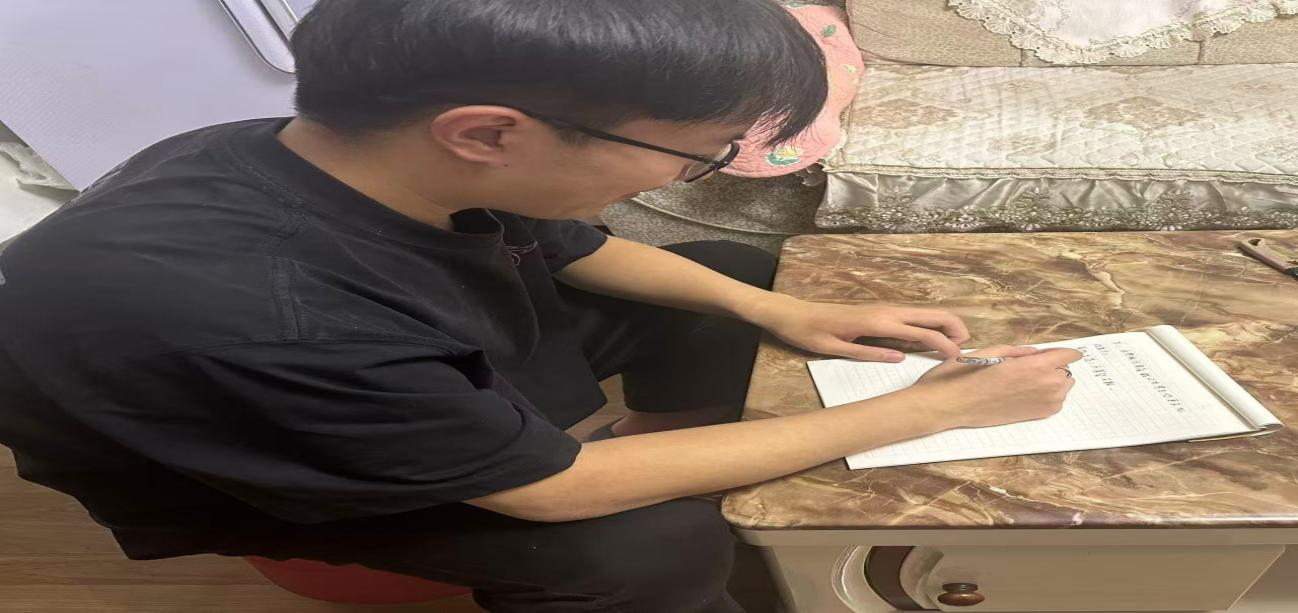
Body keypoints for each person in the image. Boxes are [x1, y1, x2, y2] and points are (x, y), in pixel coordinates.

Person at [0, 1, 1083, 611]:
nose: (688, 176)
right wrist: (921, 412)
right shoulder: (263, 316)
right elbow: (551, 493)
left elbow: (573, 245)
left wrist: (787, 317)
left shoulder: (357, 152)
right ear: (486, 130)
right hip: (277, 453)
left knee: (730, 278)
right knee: (641, 545)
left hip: (402, 360)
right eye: (693, 155)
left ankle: (668, 452)